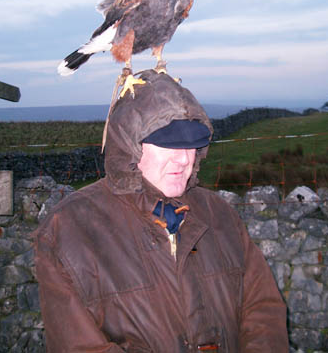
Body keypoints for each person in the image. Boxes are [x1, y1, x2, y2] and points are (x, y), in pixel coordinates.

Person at [34, 70, 289, 352]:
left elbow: (263, 311)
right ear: (129, 144)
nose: (184, 158)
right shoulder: (68, 230)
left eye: (192, 143)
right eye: (167, 142)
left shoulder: (219, 214)